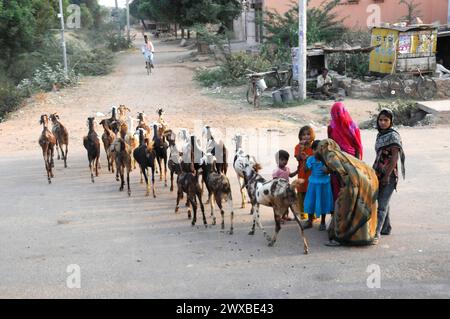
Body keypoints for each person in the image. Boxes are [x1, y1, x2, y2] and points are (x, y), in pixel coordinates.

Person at [317, 139, 379, 246]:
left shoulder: (330, 156)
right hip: (369, 178)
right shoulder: (341, 153)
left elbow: (343, 173)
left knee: (343, 208)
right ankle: (366, 237)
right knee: (361, 207)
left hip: (355, 181)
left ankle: (339, 238)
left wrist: (346, 190)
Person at [372, 109, 406, 245]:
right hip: (378, 172)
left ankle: (376, 233)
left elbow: (394, 158)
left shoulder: (393, 136)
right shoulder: (380, 135)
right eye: (381, 120)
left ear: (391, 121)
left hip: (389, 174)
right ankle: (386, 228)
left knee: (381, 205)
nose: (383, 122)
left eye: (386, 120)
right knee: (383, 201)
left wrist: (386, 175)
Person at [328, 102, 364, 205]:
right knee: (336, 186)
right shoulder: (332, 126)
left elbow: (357, 145)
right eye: (335, 115)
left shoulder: (352, 126)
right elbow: (330, 144)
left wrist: (357, 163)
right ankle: (337, 213)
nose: (337, 117)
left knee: (351, 185)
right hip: (336, 160)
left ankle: (350, 213)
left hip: (350, 160)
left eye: (339, 114)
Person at [303, 140, 334, 231]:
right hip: (313, 183)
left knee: (323, 201)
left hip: (324, 183)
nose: (317, 151)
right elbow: (305, 170)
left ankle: (323, 222)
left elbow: (329, 171)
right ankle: (309, 220)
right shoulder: (310, 159)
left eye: (320, 149)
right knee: (311, 201)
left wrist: (327, 167)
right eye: (315, 149)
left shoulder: (326, 159)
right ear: (312, 150)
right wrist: (305, 160)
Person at [294, 126, 315, 220]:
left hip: (312, 173)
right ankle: (303, 213)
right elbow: (298, 158)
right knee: (302, 192)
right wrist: (300, 150)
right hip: (302, 173)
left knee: (311, 192)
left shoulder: (314, 147)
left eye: (308, 134)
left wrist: (308, 158)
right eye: (303, 135)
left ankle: (312, 213)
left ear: (312, 135)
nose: (306, 136)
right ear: (300, 136)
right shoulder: (297, 147)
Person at [272, 150, 298, 221]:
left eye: (286, 160)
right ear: (277, 160)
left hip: (287, 189)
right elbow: (274, 181)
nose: (285, 161)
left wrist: (297, 171)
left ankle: (285, 216)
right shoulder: (276, 170)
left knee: (287, 204)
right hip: (280, 190)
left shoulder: (287, 168)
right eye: (282, 160)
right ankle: (279, 217)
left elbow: (291, 175)